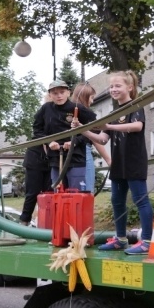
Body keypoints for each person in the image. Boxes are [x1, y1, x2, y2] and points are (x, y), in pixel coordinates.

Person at [73, 71, 154, 255]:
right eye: (111, 86)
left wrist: (109, 126)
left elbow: (137, 126)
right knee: (117, 201)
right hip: (119, 162)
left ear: (130, 87)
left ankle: (147, 241)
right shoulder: (113, 113)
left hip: (134, 161)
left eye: (118, 86)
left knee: (140, 199)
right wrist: (83, 130)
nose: (114, 89)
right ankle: (120, 239)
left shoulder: (135, 106)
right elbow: (102, 139)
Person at [19, 80, 95, 225]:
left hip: (76, 158)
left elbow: (93, 128)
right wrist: (49, 142)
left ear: (68, 93)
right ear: (50, 95)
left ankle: (76, 228)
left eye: (62, 92)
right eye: (55, 93)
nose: (59, 96)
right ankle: (59, 229)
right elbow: (37, 131)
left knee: (75, 194)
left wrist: (75, 141)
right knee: (58, 193)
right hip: (55, 158)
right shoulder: (45, 109)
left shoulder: (77, 108)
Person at [71, 83, 111, 191]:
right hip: (83, 153)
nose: (92, 101)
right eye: (91, 98)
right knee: (86, 190)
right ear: (84, 96)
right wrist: (108, 160)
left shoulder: (66, 111)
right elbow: (96, 139)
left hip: (67, 153)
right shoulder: (87, 113)